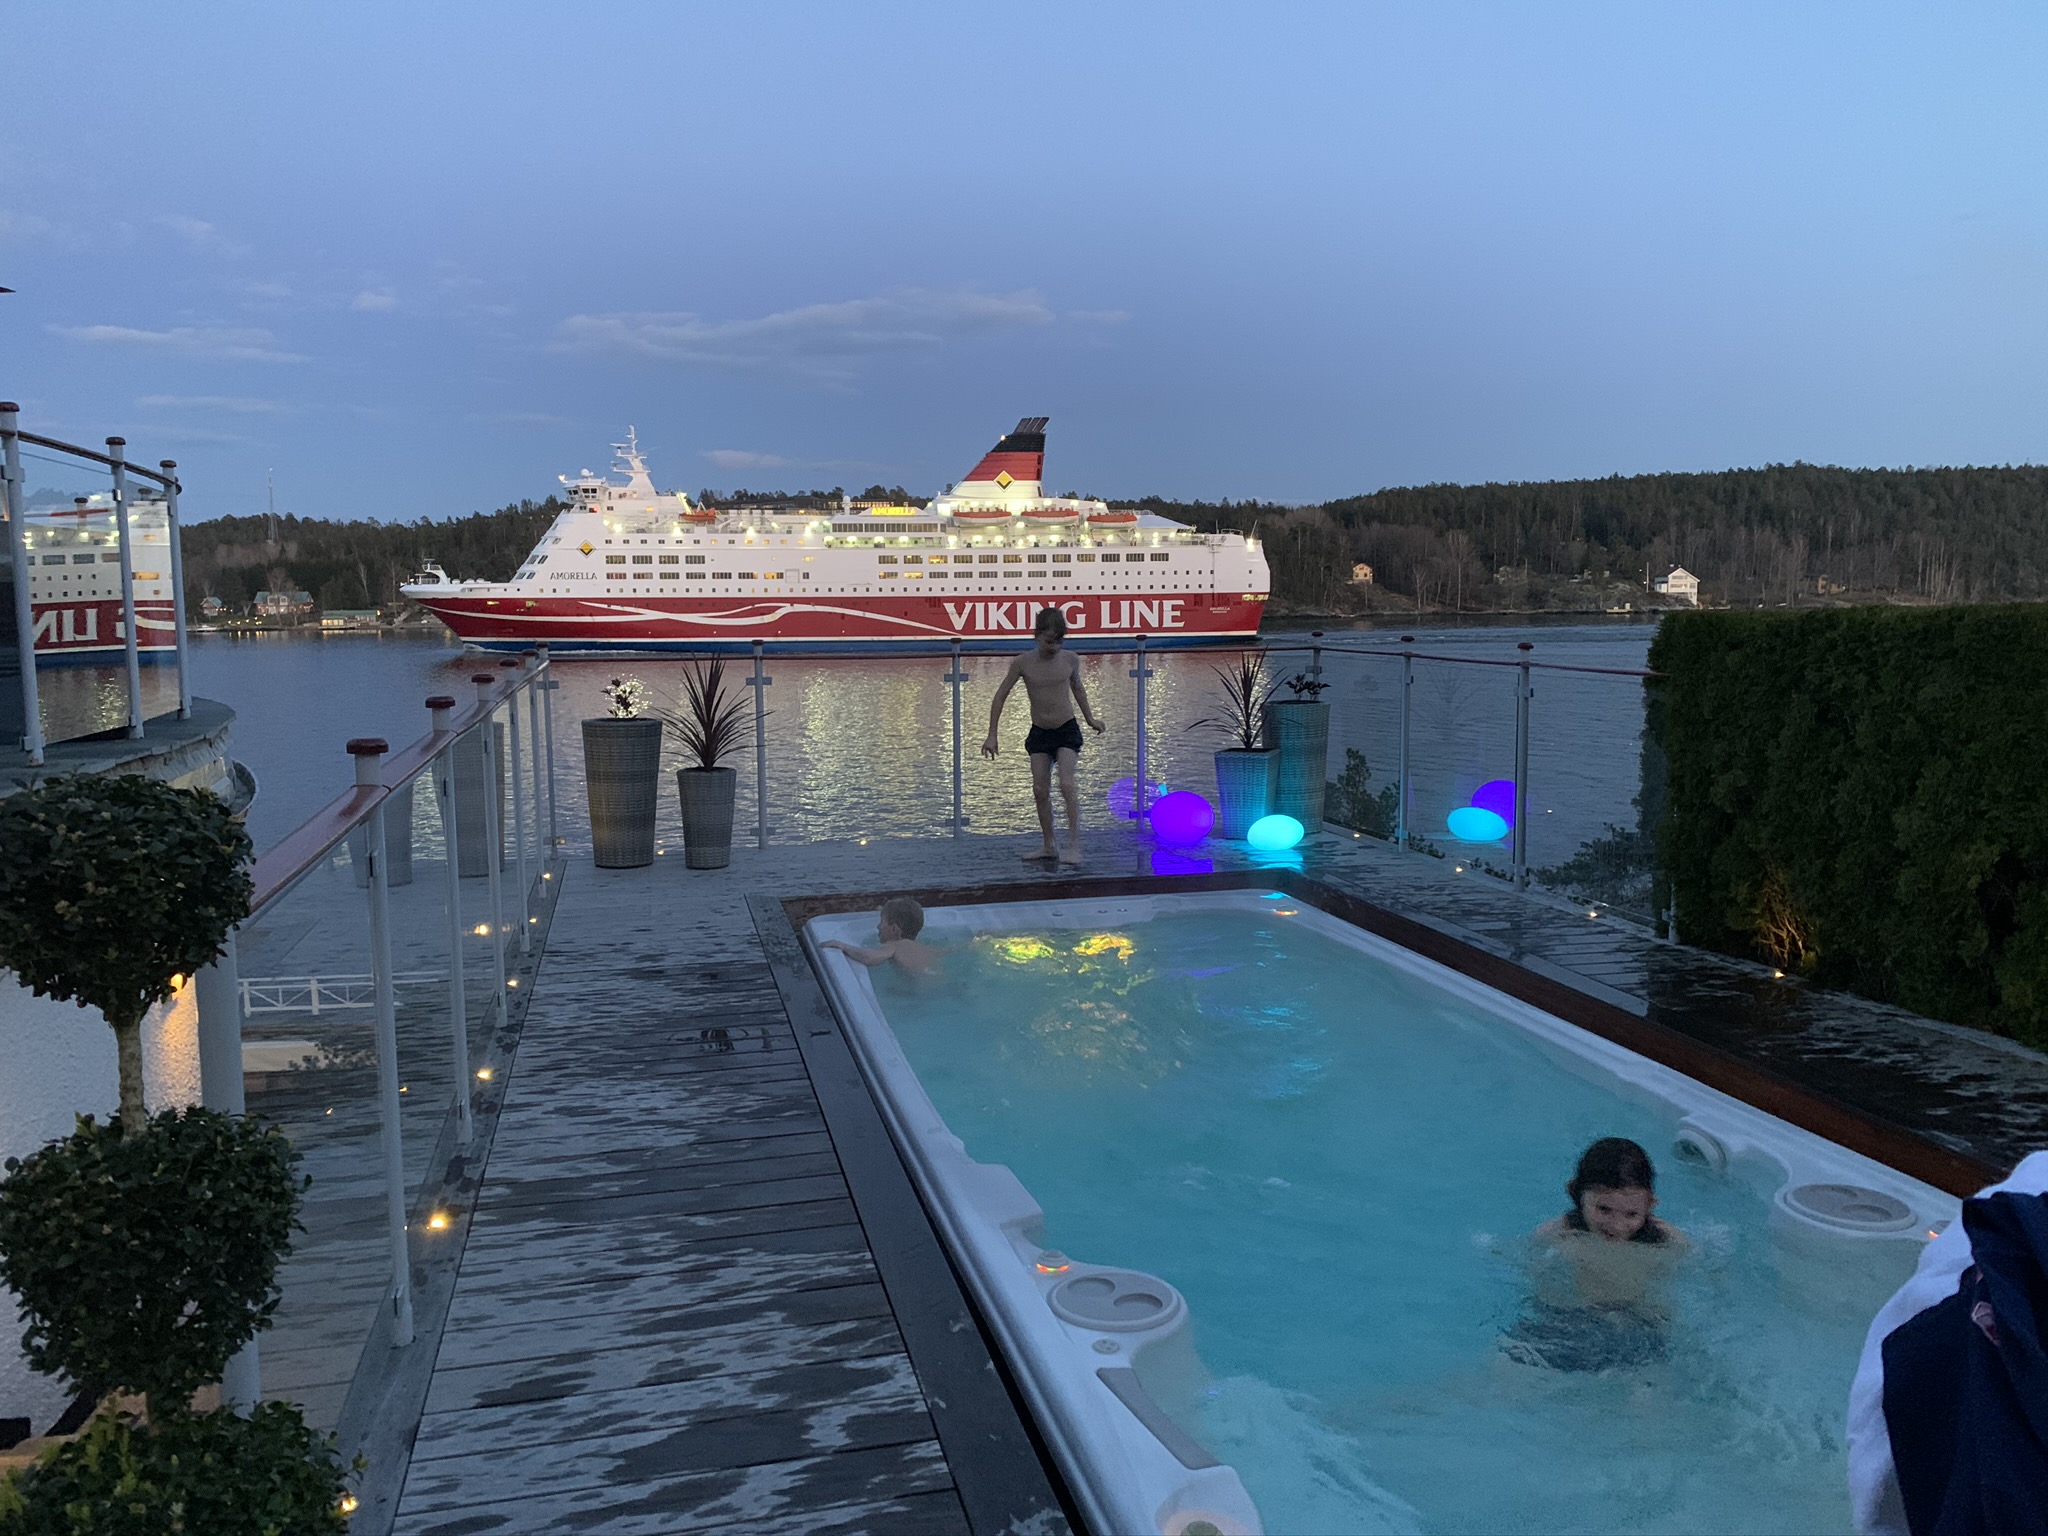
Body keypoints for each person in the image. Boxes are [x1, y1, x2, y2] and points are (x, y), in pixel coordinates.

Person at [1502, 1137, 1688, 1372]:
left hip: (1633, 1324)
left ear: (1650, 1204)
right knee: (1505, 1366)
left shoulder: (1667, 1240)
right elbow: (1528, 1271)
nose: (1617, 1225)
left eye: (1631, 1214)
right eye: (1604, 1209)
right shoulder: (1558, 1233)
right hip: (1569, 1319)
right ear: (1575, 1193)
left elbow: (1681, 1285)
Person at [981, 606, 1106, 866]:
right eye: (1049, 641)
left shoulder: (1070, 660)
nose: (1054, 647)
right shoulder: (1022, 663)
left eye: (1059, 641)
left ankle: (1074, 845)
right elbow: (1000, 696)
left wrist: (1090, 718)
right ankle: (1049, 845)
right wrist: (992, 734)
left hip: (1066, 729)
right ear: (1037, 636)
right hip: (1040, 731)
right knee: (1039, 789)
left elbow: (1078, 690)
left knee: (1067, 783)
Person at [820, 896, 937, 974]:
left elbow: (870, 957)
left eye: (881, 922)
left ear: (894, 929)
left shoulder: (896, 946)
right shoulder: (926, 948)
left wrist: (844, 946)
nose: (878, 927)